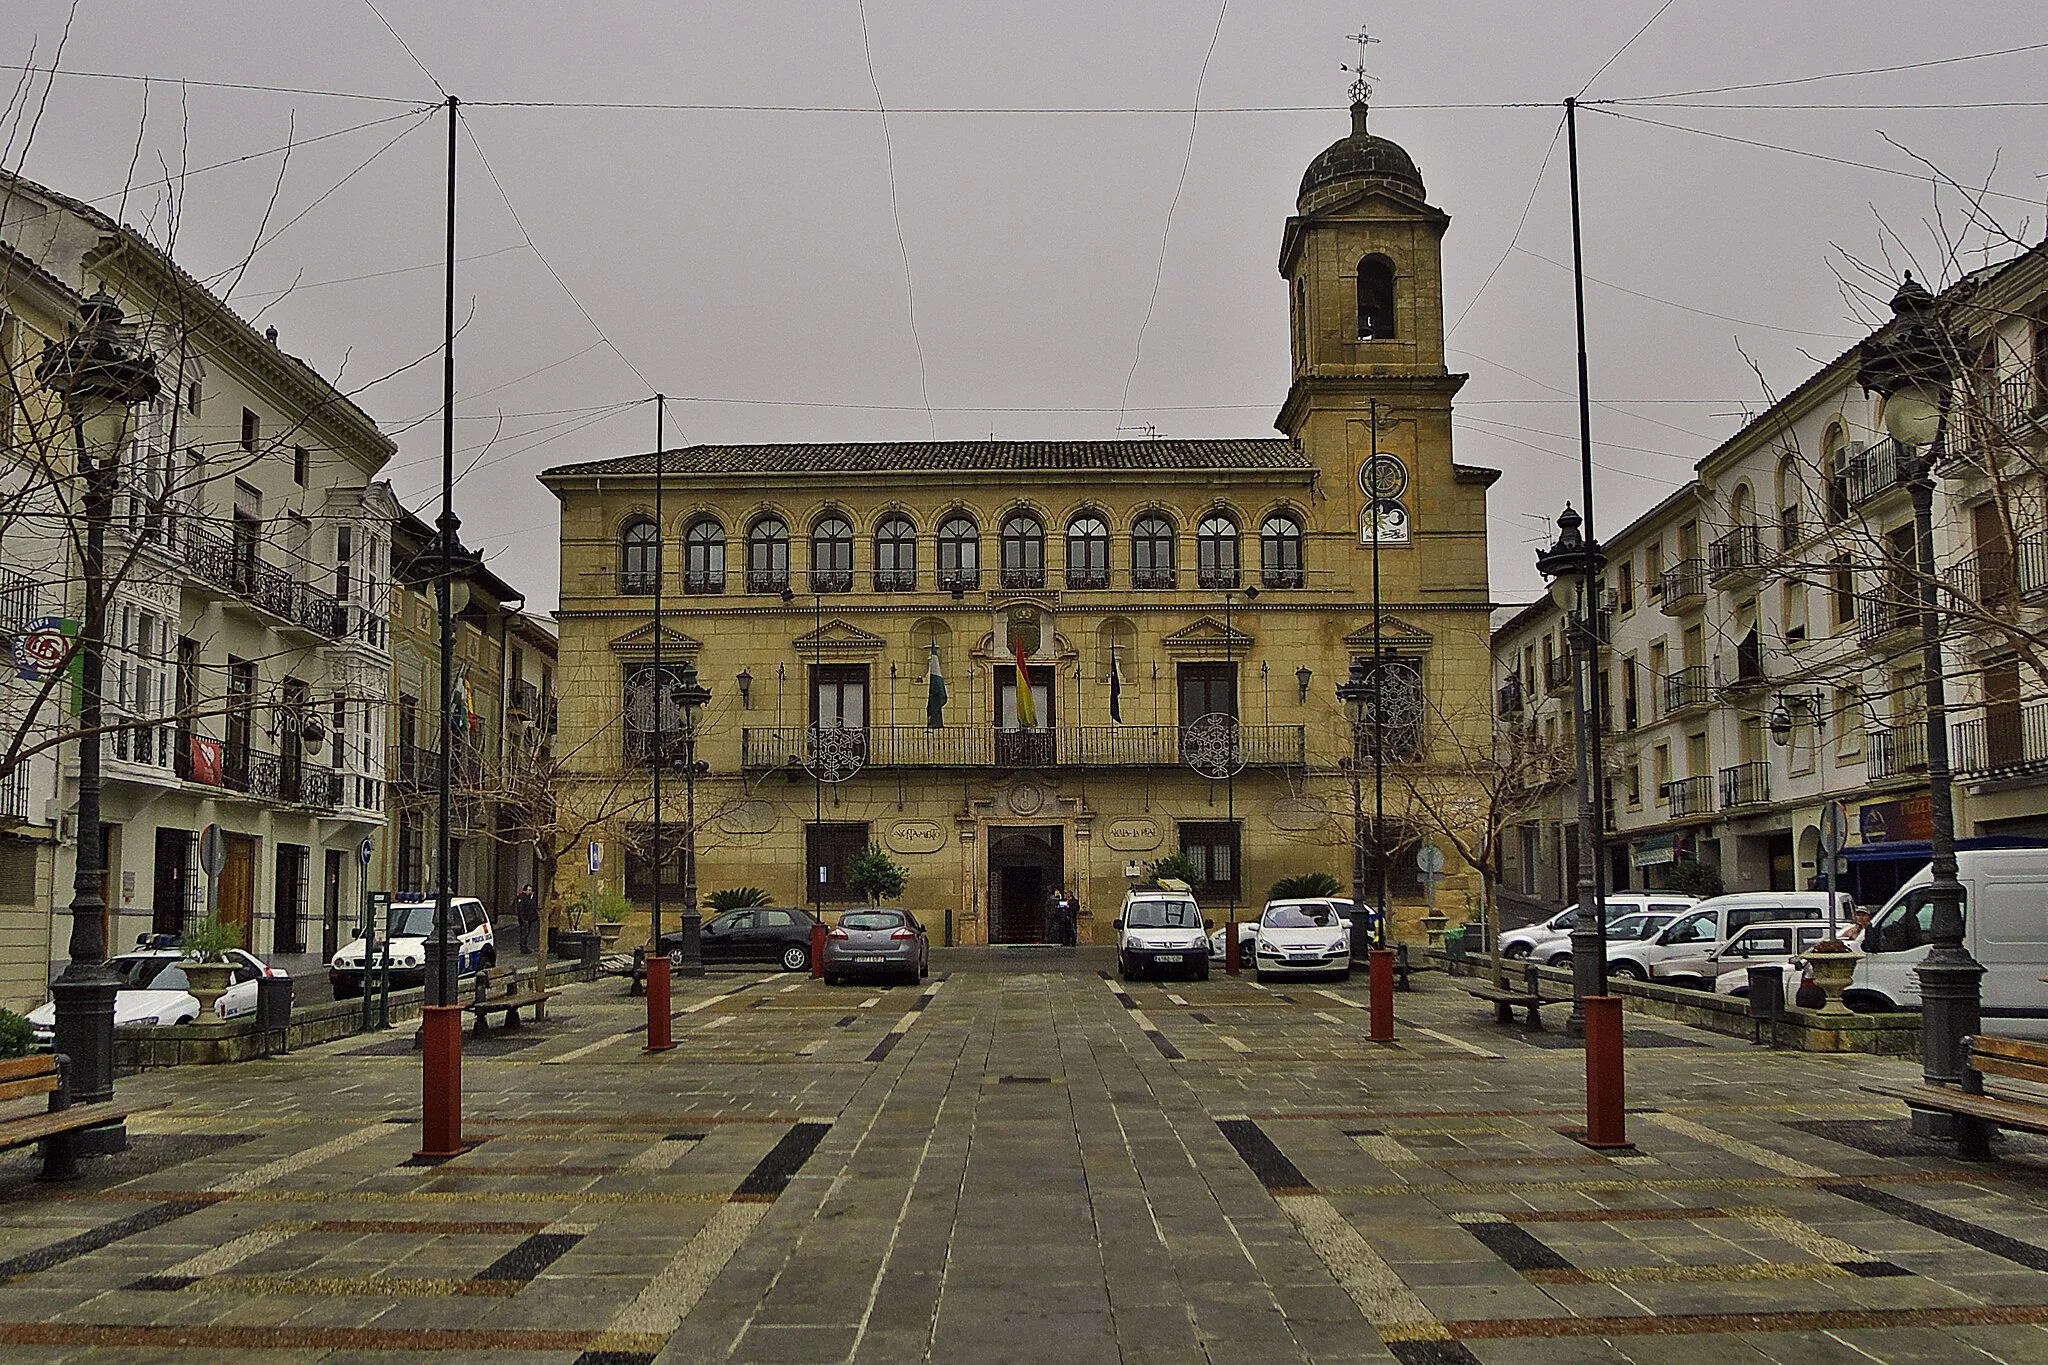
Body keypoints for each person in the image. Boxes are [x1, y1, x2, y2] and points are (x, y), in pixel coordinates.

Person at [512, 883, 540, 954]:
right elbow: (521, 909)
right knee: (524, 933)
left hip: (528, 918)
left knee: (526, 932)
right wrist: (523, 919)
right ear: (525, 890)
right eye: (529, 890)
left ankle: (524, 946)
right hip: (525, 918)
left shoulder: (529, 897)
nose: (530, 892)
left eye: (531, 890)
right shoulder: (522, 898)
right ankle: (523, 947)